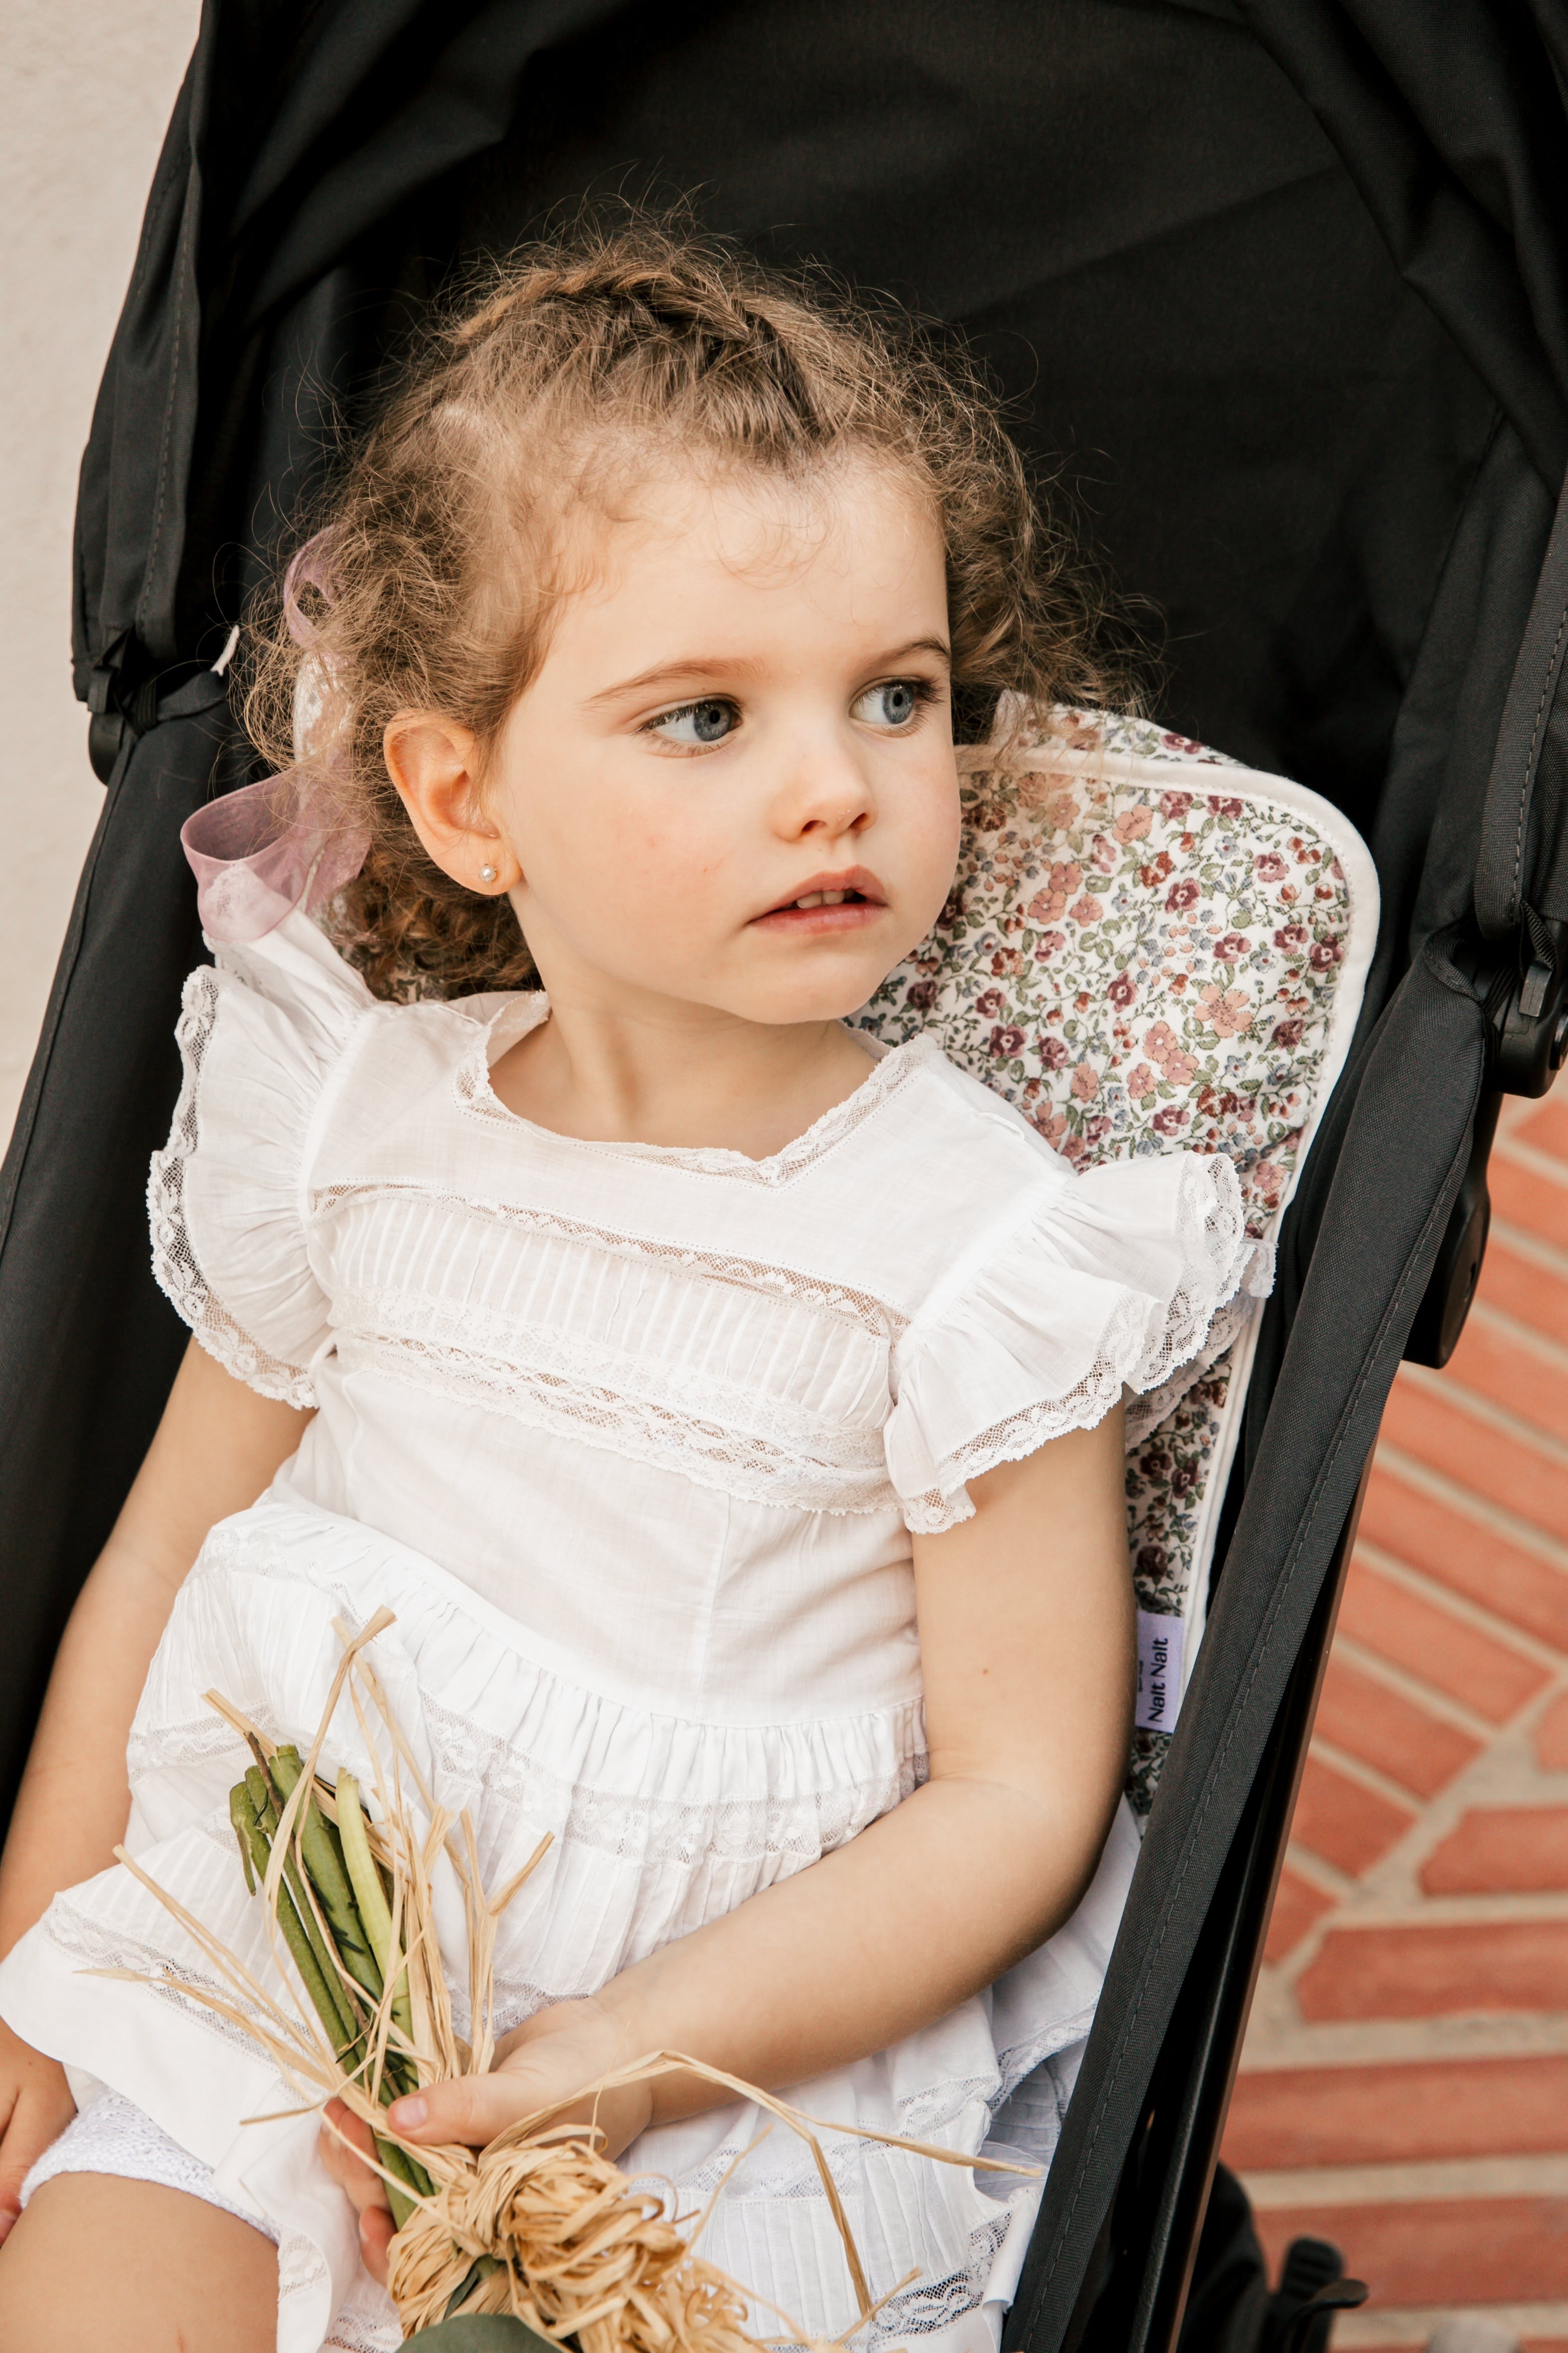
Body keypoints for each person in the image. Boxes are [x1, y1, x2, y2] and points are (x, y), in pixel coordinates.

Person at [0, 221, 1259, 2353]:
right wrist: (32, 1968)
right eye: (705, 714)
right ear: (466, 796)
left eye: (900, 693)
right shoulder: (343, 1116)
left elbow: (1020, 1787)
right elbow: (164, 1551)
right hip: (272, 1970)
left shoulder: (978, 1248)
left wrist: (619, 2051)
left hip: (715, 2056)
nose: (835, 779)